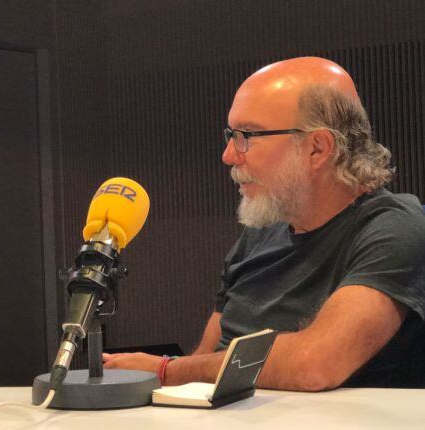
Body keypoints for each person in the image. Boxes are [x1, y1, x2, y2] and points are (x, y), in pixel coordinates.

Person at [103, 57, 425, 390]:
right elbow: (205, 360)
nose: (229, 155)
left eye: (247, 135)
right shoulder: (258, 235)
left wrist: (165, 371)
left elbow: (313, 365)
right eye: (230, 134)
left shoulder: (394, 229)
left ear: (317, 148)